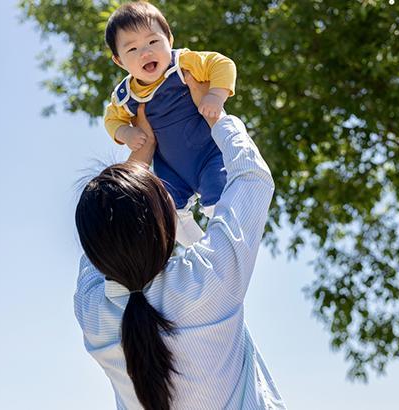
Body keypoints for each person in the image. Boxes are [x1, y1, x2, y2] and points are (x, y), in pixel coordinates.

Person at [74, 74, 285, 409]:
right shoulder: (206, 278)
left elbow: (99, 244)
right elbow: (252, 178)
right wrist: (216, 115)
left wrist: (142, 154)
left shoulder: (95, 314)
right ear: (164, 223)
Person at [102, 1, 236, 247]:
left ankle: (222, 246)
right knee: (165, 212)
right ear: (119, 61)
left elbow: (222, 63)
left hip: (208, 153)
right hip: (169, 168)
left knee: (219, 201)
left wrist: (216, 95)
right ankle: (199, 248)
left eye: (153, 42)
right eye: (132, 49)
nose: (146, 53)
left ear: (169, 40)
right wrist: (125, 132)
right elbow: (111, 119)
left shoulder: (183, 63)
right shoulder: (125, 95)